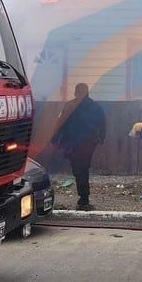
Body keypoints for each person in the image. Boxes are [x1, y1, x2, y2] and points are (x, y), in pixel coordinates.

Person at [51, 83, 106, 211]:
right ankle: (84, 198)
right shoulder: (96, 107)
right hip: (89, 143)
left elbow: (60, 123)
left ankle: (84, 199)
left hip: (73, 144)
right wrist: (101, 138)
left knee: (79, 170)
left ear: (76, 92)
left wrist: (55, 138)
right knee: (83, 168)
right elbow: (103, 123)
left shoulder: (69, 106)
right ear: (87, 93)